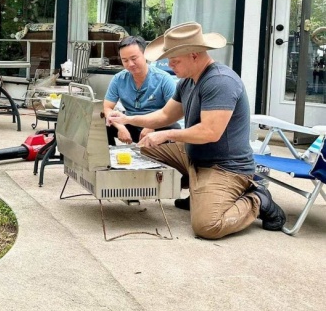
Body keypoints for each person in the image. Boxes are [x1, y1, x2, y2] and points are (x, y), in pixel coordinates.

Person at [107, 22, 286, 239]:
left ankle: (258, 199)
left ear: (193, 55)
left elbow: (210, 132)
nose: (170, 65)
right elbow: (165, 115)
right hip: (194, 153)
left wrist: (166, 134)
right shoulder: (187, 82)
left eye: (174, 59)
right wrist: (127, 118)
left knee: (207, 226)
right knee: (141, 151)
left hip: (224, 165)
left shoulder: (220, 81)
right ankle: (198, 191)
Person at [103, 36, 178, 145]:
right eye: (125, 60)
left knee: (173, 127)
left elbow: (173, 111)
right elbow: (107, 107)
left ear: (145, 55)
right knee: (102, 124)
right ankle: (108, 159)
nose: (130, 64)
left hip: (157, 125)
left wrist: (151, 125)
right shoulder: (118, 79)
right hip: (130, 123)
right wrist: (120, 127)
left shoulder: (164, 79)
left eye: (134, 59)